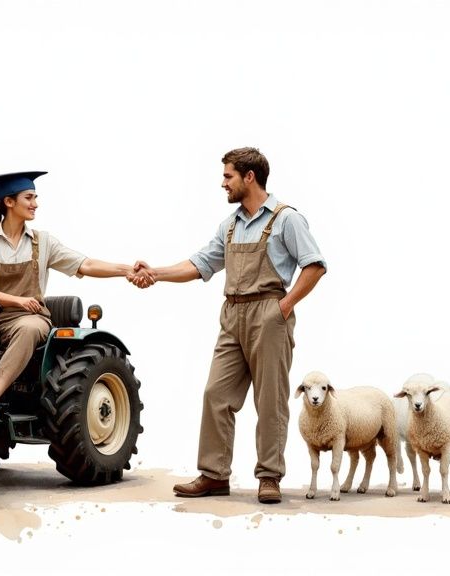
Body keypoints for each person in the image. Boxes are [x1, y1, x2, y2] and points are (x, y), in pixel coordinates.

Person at [129, 147, 326, 504]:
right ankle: (214, 475)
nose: (223, 183)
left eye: (228, 176)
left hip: (268, 314)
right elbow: (201, 263)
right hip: (232, 315)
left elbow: (314, 265)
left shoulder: (286, 219)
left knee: (270, 400)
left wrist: (284, 306)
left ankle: (269, 477)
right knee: (215, 395)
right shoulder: (231, 226)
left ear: (249, 177)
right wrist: (155, 273)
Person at [0, 170, 136, 428]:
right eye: (29, 198)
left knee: (29, 329)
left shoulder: (42, 243)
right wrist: (18, 300)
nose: (35, 204)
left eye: (35, 197)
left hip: (29, 317)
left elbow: (85, 264)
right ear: (9, 202)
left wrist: (126, 270)